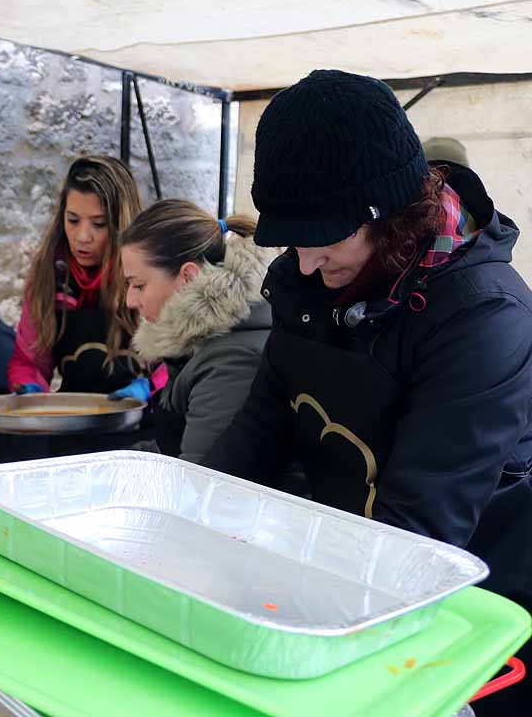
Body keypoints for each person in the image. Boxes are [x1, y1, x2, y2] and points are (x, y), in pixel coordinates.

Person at [205, 70, 531, 716]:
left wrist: (311, 642)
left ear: (391, 215)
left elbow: (422, 529)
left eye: (324, 238)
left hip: (467, 603)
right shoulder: (310, 280)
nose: (302, 263)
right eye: (293, 240)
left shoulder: (484, 316)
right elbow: (257, 433)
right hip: (345, 563)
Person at [2, 156, 145, 460]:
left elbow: (178, 365)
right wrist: (29, 386)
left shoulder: (147, 273)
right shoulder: (49, 276)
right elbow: (29, 358)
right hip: (71, 437)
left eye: (99, 223)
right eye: (73, 219)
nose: (83, 236)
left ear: (121, 223)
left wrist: (149, 387)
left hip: (142, 436)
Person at [118, 200, 273, 463]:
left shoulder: (231, 360)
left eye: (139, 285)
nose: (130, 301)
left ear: (188, 277)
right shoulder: (201, 341)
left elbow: (200, 480)